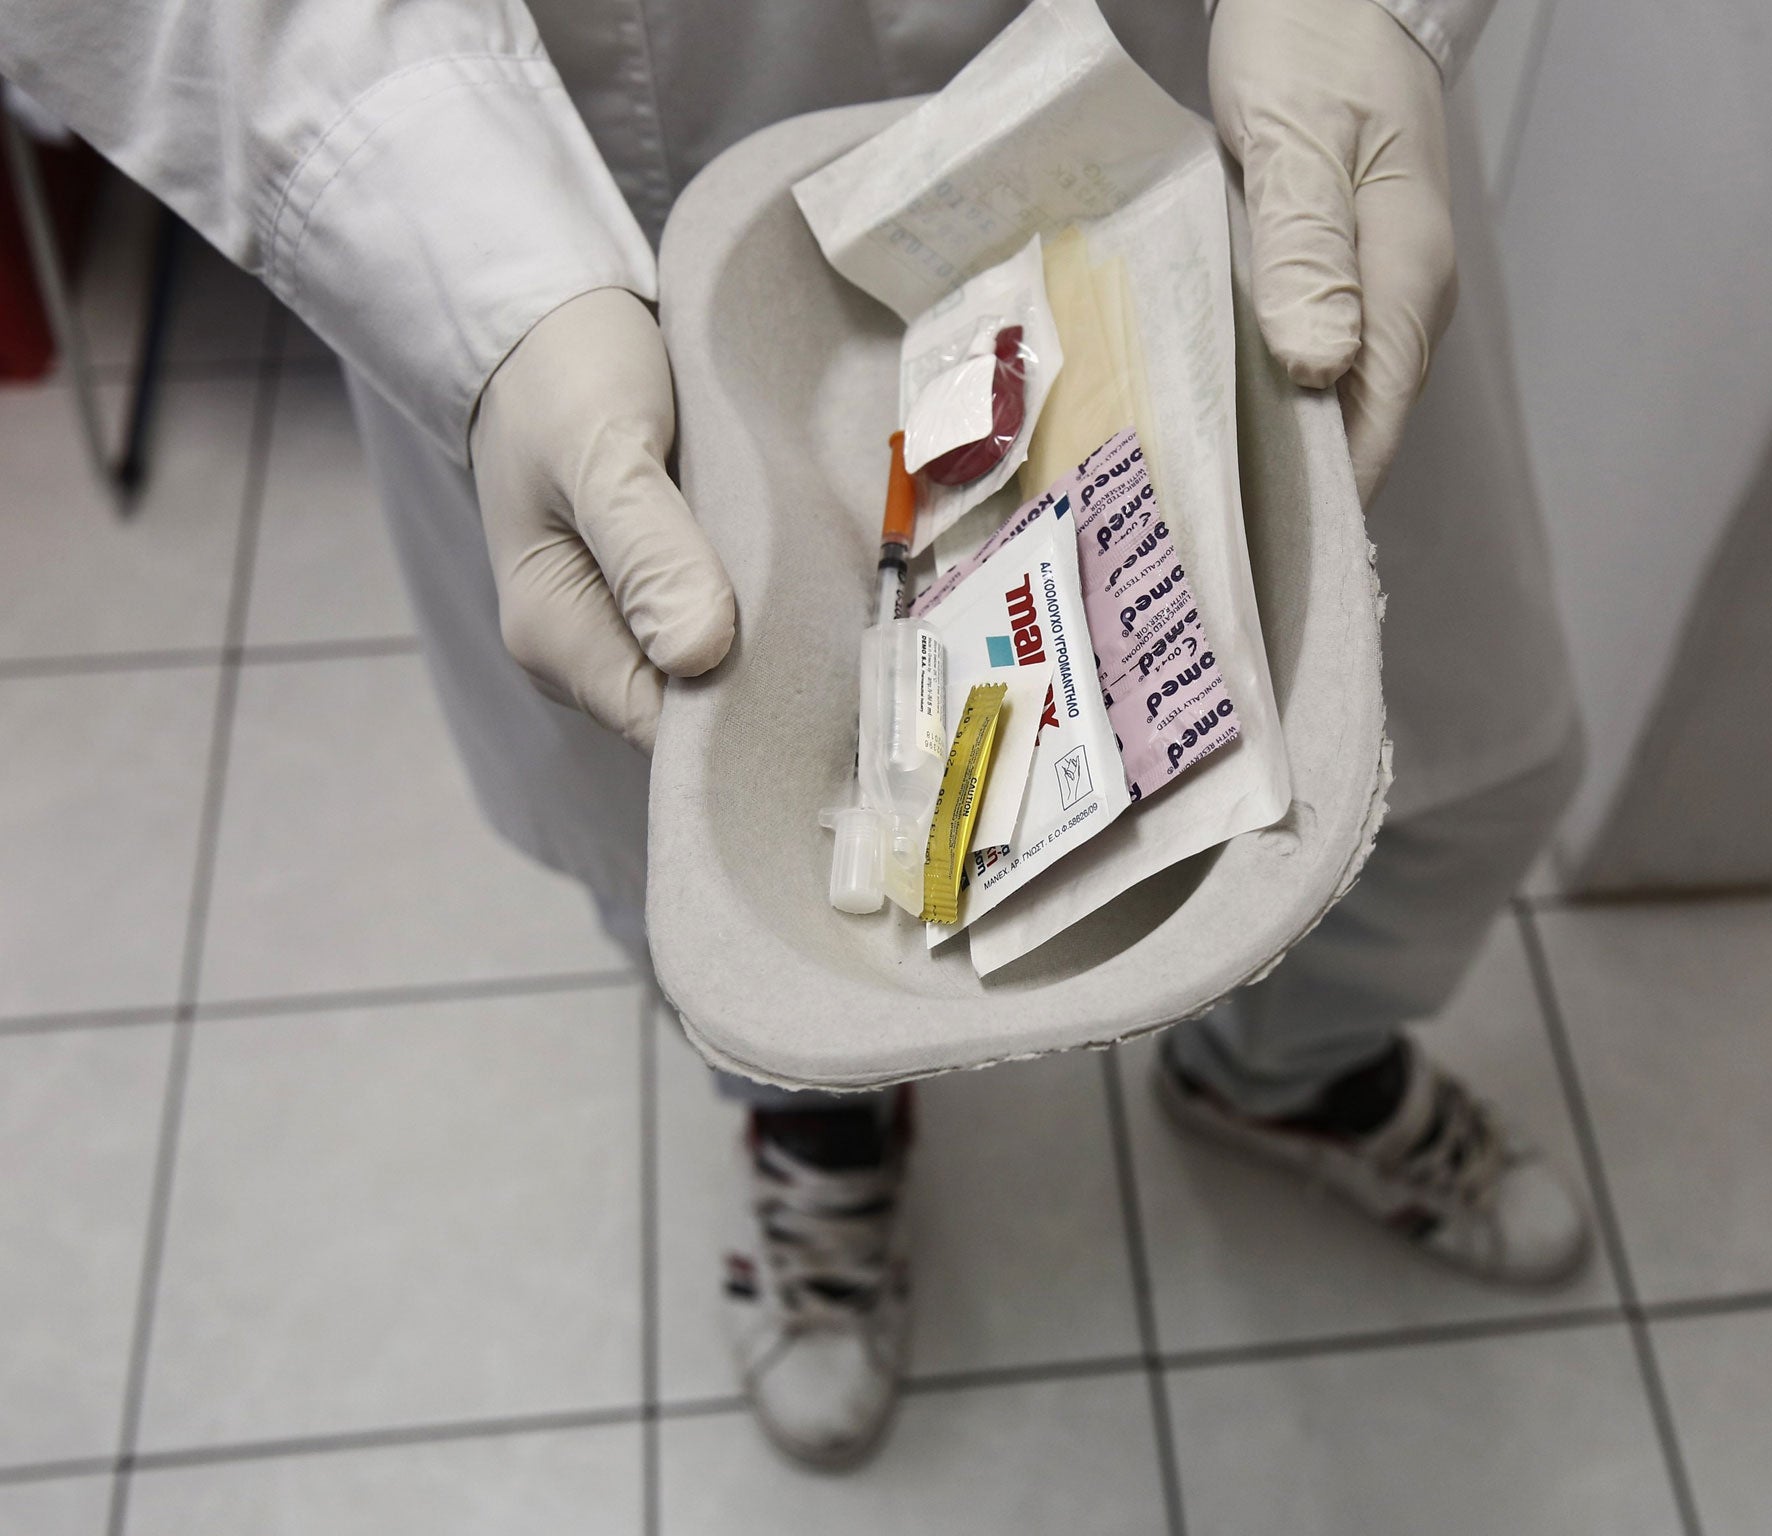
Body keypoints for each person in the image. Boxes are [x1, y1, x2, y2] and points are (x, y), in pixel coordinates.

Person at [3, 0, 1587, 1470]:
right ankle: (821, 1130)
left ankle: (1291, 1070)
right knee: (719, 860)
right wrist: (462, 264)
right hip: (617, 160)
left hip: (1194, 93)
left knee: (1442, 744)